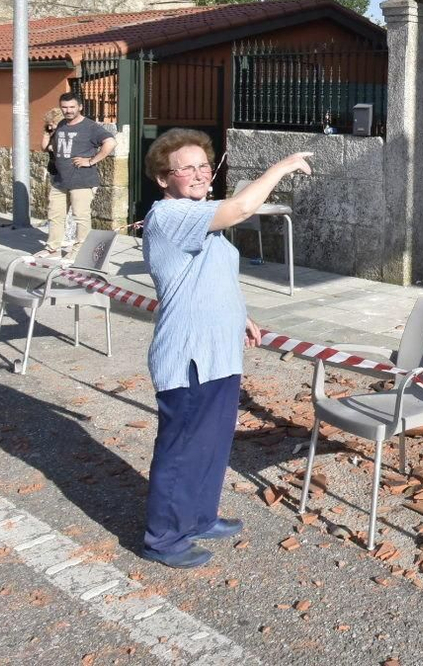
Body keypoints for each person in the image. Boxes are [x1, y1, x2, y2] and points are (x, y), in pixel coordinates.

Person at [139, 128, 311, 568]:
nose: (198, 174)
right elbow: (241, 208)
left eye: (202, 165)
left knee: (211, 442)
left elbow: (211, 279)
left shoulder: (202, 216)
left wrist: (242, 315)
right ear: (164, 178)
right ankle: (164, 538)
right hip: (189, 353)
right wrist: (281, 166)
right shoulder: (169, 216)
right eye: (186, 168)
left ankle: (198, 517)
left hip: (219, 350)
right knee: (182, 447)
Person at [41, 92, 115, 258]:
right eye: (65, 107)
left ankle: (79, 251)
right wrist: (47, 132)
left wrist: (91, 161)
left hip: (82, 180)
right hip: (60, 180)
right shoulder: (61, 124)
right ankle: (52, 249)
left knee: (80, 218)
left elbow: (110, 142)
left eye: (72, 107)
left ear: (80, 107)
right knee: (55, 216)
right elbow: (47, 148)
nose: (68, 111)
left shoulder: (91, 127)